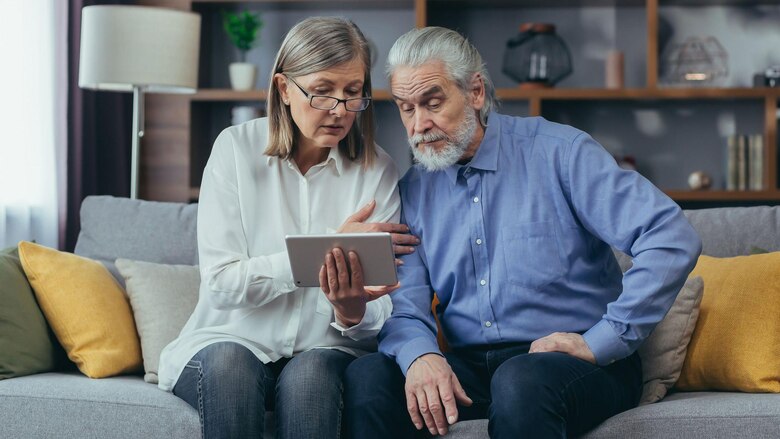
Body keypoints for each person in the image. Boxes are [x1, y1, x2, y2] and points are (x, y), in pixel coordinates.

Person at [344, 27, 702, 438]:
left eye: (433, 101)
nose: (419, 124)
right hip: (473, 367)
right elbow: (406, 306)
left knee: (519, 380)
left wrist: (600, 341)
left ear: (475, 91)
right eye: (406, 108)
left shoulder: (560, 152)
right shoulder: (412, 189)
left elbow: (670, 235)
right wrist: (420, 355)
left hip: (575, 364)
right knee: (368, 377)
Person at [157, 17, 417, 439]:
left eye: (353, 93)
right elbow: (221, 283)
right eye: (322, 92)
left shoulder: (377, 170)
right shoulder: (235, 150)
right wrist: (326, 253)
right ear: (284, 88)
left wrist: (351, 311)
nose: (339, 109)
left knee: (311, 375)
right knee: (230, 367)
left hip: (326, 350)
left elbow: (381, 308)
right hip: (228, 341)